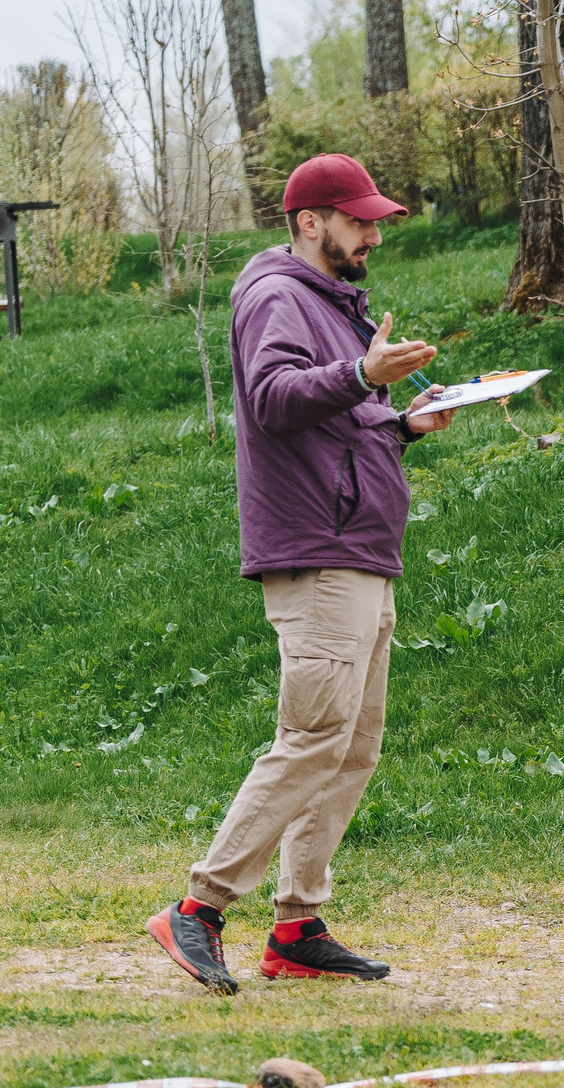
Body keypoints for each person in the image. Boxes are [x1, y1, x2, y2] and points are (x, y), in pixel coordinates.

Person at [146, 154, 453, 994]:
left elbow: (341, 430)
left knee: (350, 748)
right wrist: (362, 374)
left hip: (357, 550)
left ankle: (296, 928)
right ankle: (198, 909)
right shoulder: (277, 294)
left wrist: (405, 423)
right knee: (314, 739)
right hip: (316, 553)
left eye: (376, 220)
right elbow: (275, 400)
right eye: (358, 220)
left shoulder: (333, 305)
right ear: (309, 222)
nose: (372, 233)